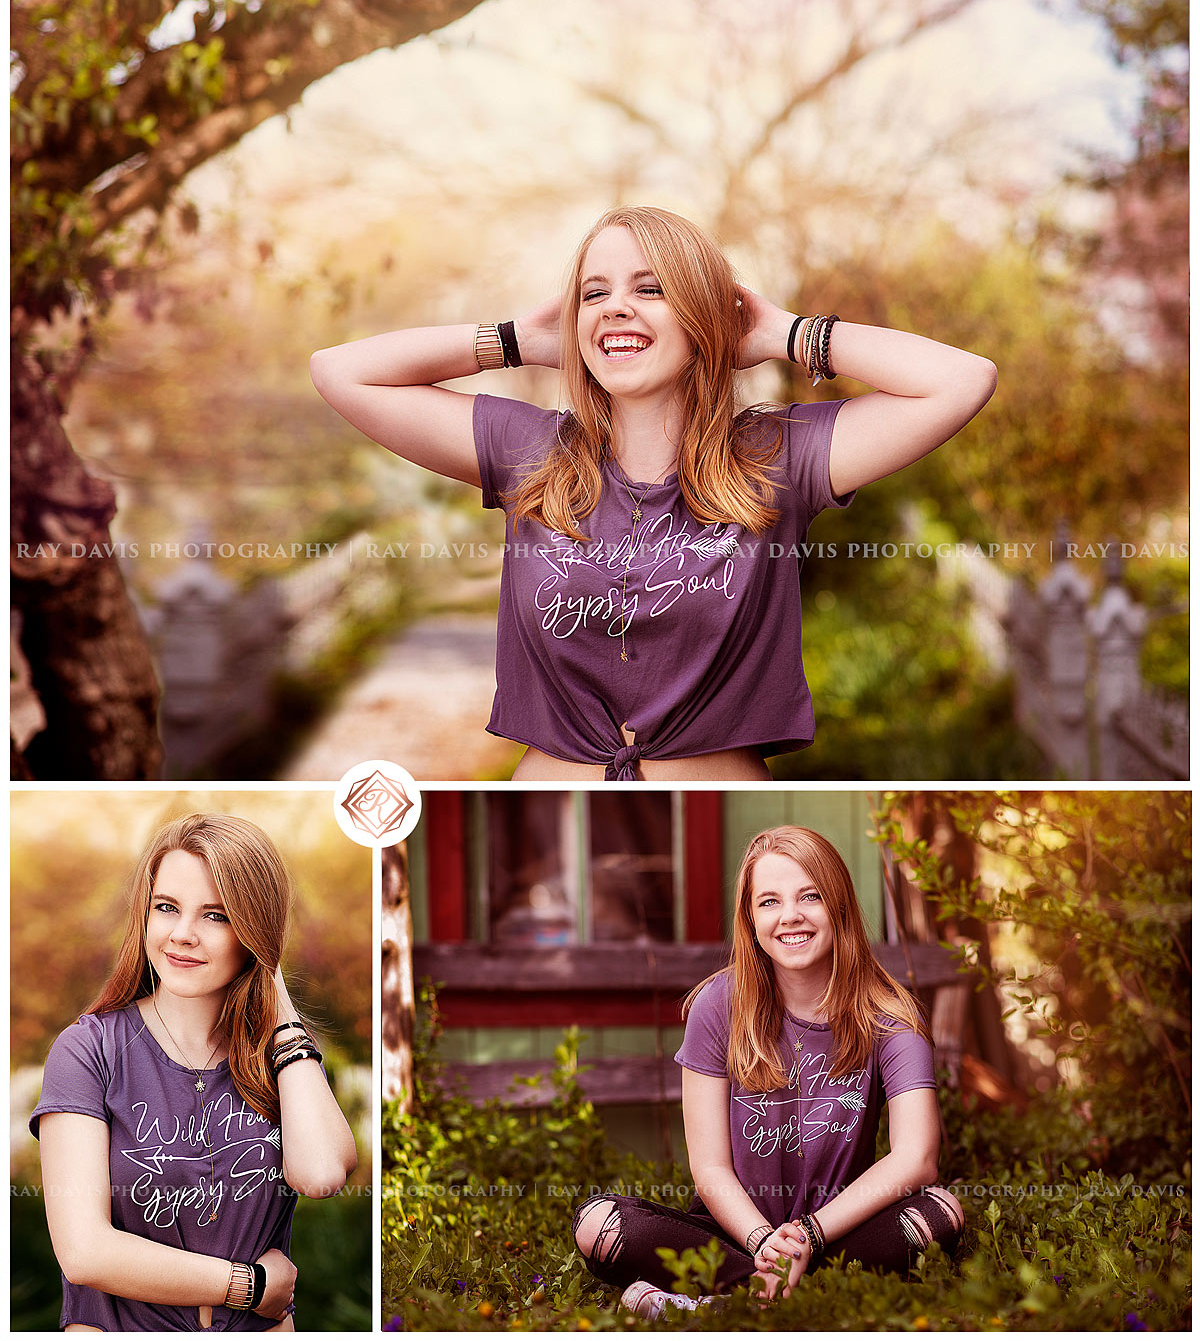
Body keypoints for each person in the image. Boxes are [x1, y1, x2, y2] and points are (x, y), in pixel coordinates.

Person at [310, 206, 996, 781]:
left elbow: (961, 381)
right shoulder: (531, 454)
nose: (615, 309)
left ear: (701, 315)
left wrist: (782, 334)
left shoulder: (778, 459)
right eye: (594, 293)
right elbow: (341, 373)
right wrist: (520, 341)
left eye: (650, 288)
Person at [571, 825, 965, 1318]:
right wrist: (763, 1243)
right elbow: (710, 1167)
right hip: (736, 1233)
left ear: (838, 906)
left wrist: (808, 1237)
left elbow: (916, 1158)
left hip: (838, 1230)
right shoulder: (717, 1005)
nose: (791, 917)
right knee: (598, 1222)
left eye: (810, 896)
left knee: (942, 1212)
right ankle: (774, 1293)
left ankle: (712, 1307)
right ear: (750, 918)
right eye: (769, 902)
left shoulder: (890, 1016)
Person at [30, 814, 359, 1331]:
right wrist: (249, 1285)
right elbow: (84, 1251)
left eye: (216, 916)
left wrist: (279, 1009)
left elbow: (320, 1174)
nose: (182, 934)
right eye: (166, 908)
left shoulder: (285, 1058)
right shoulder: (89, 1050)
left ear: (253, 930)